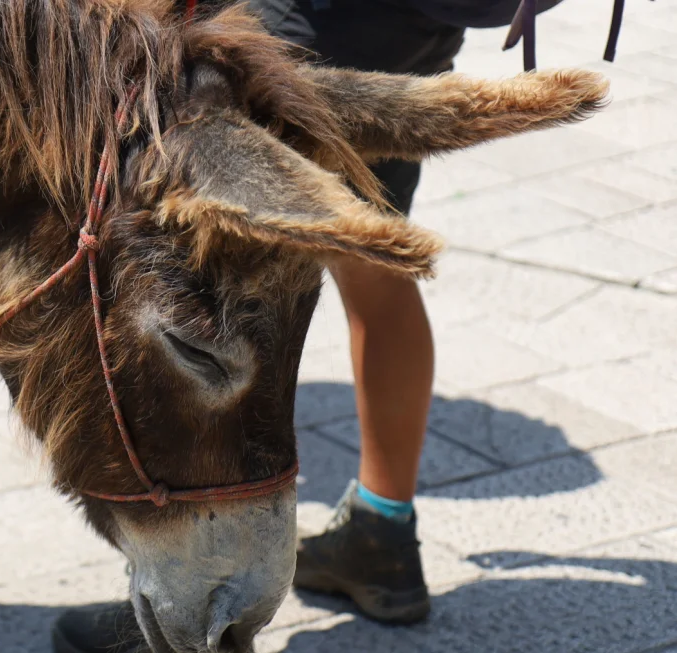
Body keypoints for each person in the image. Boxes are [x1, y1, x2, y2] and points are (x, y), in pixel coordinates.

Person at [52, 0, 468, 650]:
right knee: (375, 270)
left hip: (286, 34)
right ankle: (382, 534)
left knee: (211, 297)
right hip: (407, 30)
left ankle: (187, 610)